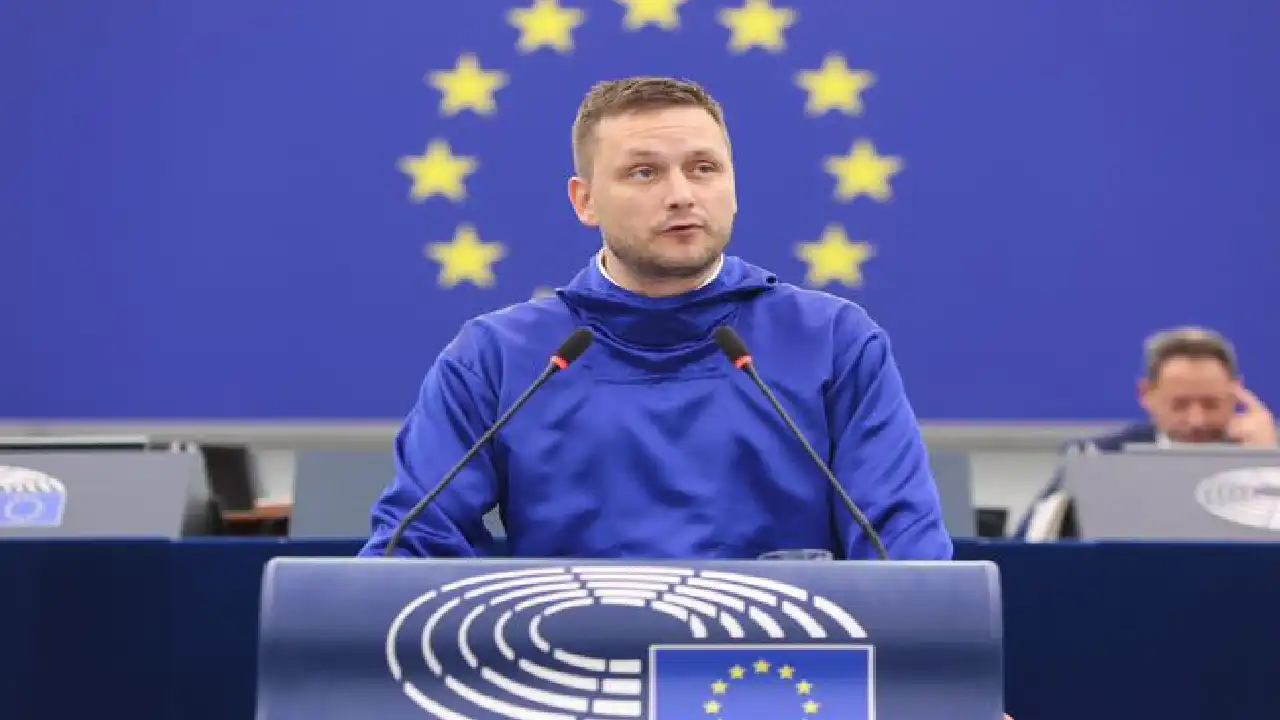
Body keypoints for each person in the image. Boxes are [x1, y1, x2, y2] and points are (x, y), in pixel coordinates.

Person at [357, 76, 952, 561]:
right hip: (565, 665)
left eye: (704, 168)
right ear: (584, 201)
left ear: (734, 187)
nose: (681, 195)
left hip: (779, 666)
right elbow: (413, 547)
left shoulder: (832, 341)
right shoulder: (498, 356)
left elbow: (904, 548)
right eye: (644, 172)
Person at [1013, 326, 1277, 539]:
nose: (1196, 420)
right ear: (1146, 394)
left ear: (1236, 392)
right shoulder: (1098, 458)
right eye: (1179, 405)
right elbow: (1029, 548)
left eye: (1211, 404)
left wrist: (1268, 461)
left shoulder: (1266, 451)